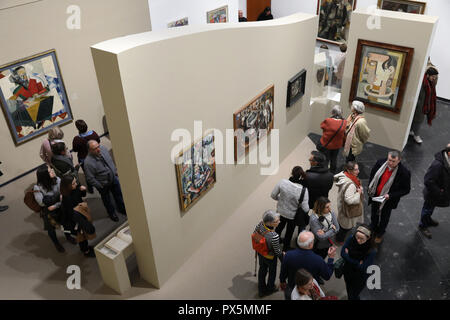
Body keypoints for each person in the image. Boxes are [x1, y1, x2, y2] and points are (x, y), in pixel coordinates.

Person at [368, 151, 411, 243]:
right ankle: (373, 228)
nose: (390, 163)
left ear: (399, 160)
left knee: (384, 217)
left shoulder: (404, 173)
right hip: (376, 196)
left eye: (393, 161)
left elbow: (406, 189)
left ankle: (380, 233)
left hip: (388, 201)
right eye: (389, 160)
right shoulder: (380, 163)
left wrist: (390, 195)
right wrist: (371, 187)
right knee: (374, 214)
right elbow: (372, 175)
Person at [279, 231, 336, 300]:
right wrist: (331, 259)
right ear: (310, 245)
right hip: (309, 289)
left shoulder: (288, 255)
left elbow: (283, 271)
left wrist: (282, 281)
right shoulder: (318, 260)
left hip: (292, 285)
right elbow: (327, 275)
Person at [33, 164, 77, 252]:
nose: (53, 171)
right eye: (50, 171)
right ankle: (56, 243)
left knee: (65, 224)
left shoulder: (57, 179)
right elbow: (41, 203)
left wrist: (53, 203)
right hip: (49, 212)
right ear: (45, 175)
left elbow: (63, 194)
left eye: (51, 169)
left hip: (59, 207)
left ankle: (68, 236)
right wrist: (57, 198)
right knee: (51, 229)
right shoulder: (37, 187)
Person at [84, 140, 127, 222]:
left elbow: (110, 160)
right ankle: (112, 213)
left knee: (118, 195)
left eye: (98, 146)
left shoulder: (103, 149)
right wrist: (100, 186)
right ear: (89, 150)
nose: (98, 149)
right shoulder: (88, 163)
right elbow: (90, 178)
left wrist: (114, 171)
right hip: (103, 184)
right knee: (107, 200)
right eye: (95, 148)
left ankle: (122, 209)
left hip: (113, 179)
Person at [271, 166, 309, 251]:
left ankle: (273, 245)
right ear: (302, 176)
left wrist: (281, 199)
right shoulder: (304, 190)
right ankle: (285, 249)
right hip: (292, 216)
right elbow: (305, 209)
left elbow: (273, 195)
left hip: (280, 212)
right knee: (289, 232)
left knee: (278, 228)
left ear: (291, 173)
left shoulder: (282, 182)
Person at [418, 143, 450, 239]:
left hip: (440, 193)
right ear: (449, 153)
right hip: (433, 194)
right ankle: (423, 225)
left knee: (431, 208)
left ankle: (428, 220)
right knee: (427, 209)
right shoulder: (438, 165)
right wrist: (439, 192)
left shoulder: (447, 161)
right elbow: (428, 181)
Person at [60, 175, 96, 257]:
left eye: (75, 182)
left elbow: (82, 196)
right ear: (67, 186)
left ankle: (86, 248)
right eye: (73, 183)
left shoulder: (74, 189)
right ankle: (86, 251)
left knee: (84, 236)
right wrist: (83, 223)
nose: (76, 184)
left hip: (80, 215)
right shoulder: (67, 198)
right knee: (81, 238)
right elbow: (71, 214)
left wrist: (83, 190)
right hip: (76, 221)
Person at [341, 224, 376, 300]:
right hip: (348, 271)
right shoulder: (351, 238)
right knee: (348, 288)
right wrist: (357, 262)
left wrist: (348, 257)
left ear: (368, 238)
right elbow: (342, 253)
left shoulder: (371, 251)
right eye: (357, 237)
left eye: (362, 239)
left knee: (354, 294)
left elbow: (363, 267)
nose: (358, 240)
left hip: (359, 277)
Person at [253, 210, 283, 297]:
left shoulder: (260, 224)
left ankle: (261, 289)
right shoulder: (274, 236)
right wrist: (282, 257)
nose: (279, 222)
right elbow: (277, 251)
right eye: (276, 221)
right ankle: (270, 288)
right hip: (270, 257)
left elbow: (255, 234)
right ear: (270, 223)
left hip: (260, 252)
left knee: (262, 269)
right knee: (272, 272)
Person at [334, 161, 364, 244]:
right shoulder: (350, 184)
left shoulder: (344, 175)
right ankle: (339, 240)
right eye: (356, 170)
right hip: (348, 210)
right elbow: (349, 200)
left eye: (358, 169)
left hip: (342, 205)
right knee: (345, 228)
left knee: (341, 224)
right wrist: (358, 193)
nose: (358, 171)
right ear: (349, 170)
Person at [410, 67, 439, 144]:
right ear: (428, 75)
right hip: (420, 105)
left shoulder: (430, 82)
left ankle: (411, 131)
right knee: (418, 121)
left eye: (435, 77)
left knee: (416, 120)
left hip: (425, 104)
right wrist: (420, 106)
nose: (434, 78)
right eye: (433, 76)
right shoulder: (422, 83)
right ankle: (416, 135)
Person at [72, 119, 100, 192]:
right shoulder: (94, 134)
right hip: (95, 156)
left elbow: (75, 150)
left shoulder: (76, 139)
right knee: (98, 170)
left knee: (88, 174)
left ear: (78, 128)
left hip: (84, 160)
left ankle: (90, 189)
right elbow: (98, 142)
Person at [318, 105, 347, 173]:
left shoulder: (328, 120)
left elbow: (322, 126)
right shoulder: (344, 122)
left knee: (326, 158)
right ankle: (332, 172)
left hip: (327, 143)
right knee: (334, 158)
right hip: (337, 145)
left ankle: (324, 172)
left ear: (332, 112)